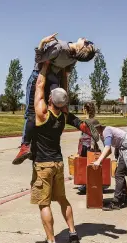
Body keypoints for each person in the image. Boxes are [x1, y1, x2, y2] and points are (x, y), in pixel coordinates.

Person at [13, 33, 98, 165]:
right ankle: (81, 125)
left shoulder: (60, 47)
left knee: (31, 112)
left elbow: (39, 59)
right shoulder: (74, 58)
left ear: (80, 49)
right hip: (54, 80)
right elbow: (66, 72)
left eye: (86, 44)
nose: (85, 40)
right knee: (60, 110)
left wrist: (41, 43)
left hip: (40, 76)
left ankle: (25, 146)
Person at [30, 62, 80, 243]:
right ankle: (73, 232)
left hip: (44, 165)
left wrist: (45, 65)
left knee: (44, 203)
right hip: (58, 164)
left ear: (50, 99)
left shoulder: (43, 114)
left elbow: (39, 86)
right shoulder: (63, 116)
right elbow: (62, 94)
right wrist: (65, 75)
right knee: (62, 199)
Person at [91, 120, 127, 210]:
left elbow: (108, 147)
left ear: (97, 128)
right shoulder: (102, 134)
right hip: (124, 149)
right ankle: (124, 197)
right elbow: (108, 151)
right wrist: (100, 160)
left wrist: (99, 161)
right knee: (119, 173)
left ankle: (117, 202)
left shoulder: (106, 131)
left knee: (119, 174)